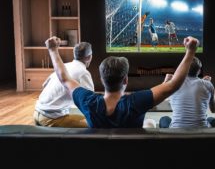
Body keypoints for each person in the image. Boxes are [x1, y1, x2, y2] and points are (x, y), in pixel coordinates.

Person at [45, 35, 199, 128]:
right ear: (126, 79)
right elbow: (174, 84)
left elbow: (64, 77)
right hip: (132, 156)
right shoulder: (136, 102)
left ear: (101, 79)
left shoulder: (88, 102)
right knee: (150, 122)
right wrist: (190, 51)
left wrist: (53, 50)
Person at [34, 42, 94, 128]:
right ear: (89, 57)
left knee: (84, 117)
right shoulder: (84, 73)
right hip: (52, 118)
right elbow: (91, 103)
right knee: (94, 125)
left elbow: (44, 85)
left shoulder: (64, 66)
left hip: (37, 113)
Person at [159, 57, 215, 128]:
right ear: (199, 71)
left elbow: (158, 98)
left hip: (176, 132)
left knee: (164, 119)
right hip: (201, 132)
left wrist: (165, 82)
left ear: (183, 69)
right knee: (212, 120)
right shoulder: (207, 85)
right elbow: (214, 110)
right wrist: (210, 88)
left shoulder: (172, 84)